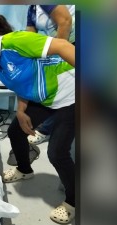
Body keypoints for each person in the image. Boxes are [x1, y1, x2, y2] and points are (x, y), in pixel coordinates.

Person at [0, 14, 75, 224]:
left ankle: (74, 201)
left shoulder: (14, 41)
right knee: (15, 130)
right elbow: (24, 82)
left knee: (57, 152)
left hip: (71, 96)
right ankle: (24, 170)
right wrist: (21, 110)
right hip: (47, 98)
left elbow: (62, 45)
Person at [26, 5, 76, 145]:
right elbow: (29, 36)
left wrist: (56, 59)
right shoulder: (32, 9)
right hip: (62, 44)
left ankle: (46, 129)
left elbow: (65, 21)